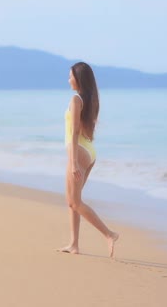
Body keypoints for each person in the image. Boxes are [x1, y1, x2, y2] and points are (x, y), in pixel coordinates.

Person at [57, 62, 119, 258]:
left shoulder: (76, 100)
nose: (68, 80)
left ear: (78, 78)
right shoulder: (90, 100)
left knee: (74, 201)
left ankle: (109, 234)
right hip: (89, 152)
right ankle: (74, 244)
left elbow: (75, 131)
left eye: (70, 76)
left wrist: (73, 161)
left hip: (79, 153)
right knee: (73, 201)